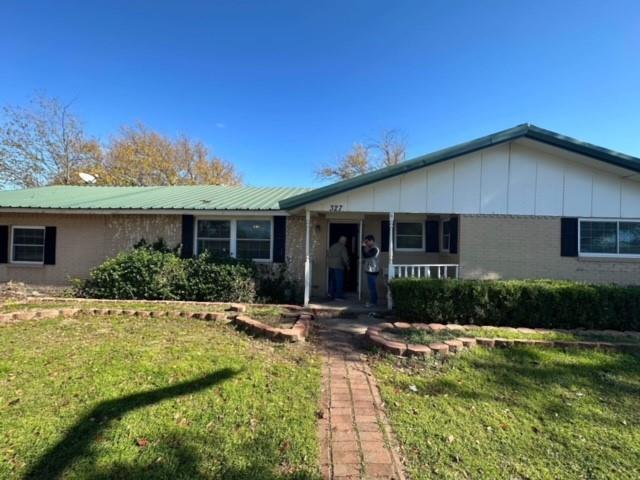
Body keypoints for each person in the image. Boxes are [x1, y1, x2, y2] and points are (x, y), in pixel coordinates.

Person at [327, 235, 349, 300]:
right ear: (343, 241)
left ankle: (331, 294)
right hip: (338, 266)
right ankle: (338, 296)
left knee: (332, 281)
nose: (345, 242)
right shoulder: (343, 247)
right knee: (339, 281)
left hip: (331, 265)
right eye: (345, 241)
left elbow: (328, 254)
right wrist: (348, 265)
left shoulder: (332, 246)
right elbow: (345, 258)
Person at [361, 234, 380, 307]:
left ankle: (373, 302)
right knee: (371, 287)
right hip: (371, 270)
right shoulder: (372, 248)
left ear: (371, 241)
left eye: (367, 242)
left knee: (372, 287)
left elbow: (366, 255)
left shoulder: (375, 249)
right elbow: (368, 258)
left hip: (373, 270)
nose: (366, 244)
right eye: (365, 242)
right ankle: (373, 301)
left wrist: (363, 247)